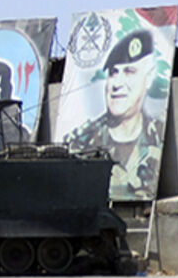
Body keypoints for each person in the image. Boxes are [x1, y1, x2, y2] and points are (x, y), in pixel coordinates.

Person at [63, 29, 164, 199]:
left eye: (129, 72)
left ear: (149, 77)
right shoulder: (79, 142)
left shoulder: (159, 136)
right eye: (113, 73)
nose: (117, 83)